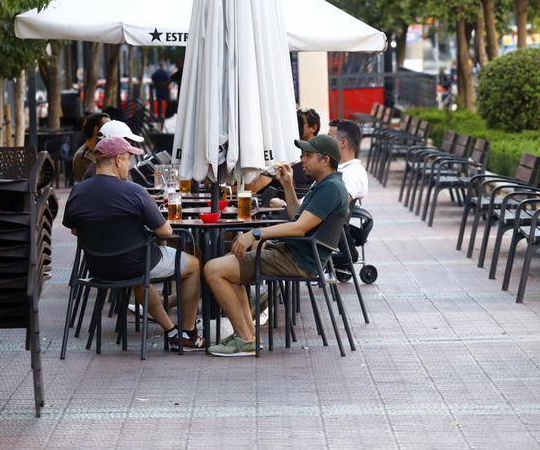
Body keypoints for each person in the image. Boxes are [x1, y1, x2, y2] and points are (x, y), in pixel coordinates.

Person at [204, 134, 349, 357]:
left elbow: (299, 228)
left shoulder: (331, 188)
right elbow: (296, 217)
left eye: (308, 156)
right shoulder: (324, 185)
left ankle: (244, 338)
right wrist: (288, 186)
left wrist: (256, 233)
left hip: (299, 261)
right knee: (228, 268)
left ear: (325, 160)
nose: (302, 160)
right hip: (294, 254)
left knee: (213, 270)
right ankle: (248, 336)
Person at [63, 136, 204, 351]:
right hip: (135, 264)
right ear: (118, 160)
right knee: (193, 265)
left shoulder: (77, 191)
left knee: (138, 272)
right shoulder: (134, 191)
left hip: (98, 267)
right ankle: (188, 332)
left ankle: (171, 330)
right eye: (128, 159)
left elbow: (75, 229)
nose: (130, 165)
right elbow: (165, 230)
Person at [245, 108, 321, 198]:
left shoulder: (294, 158)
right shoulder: (290, 152)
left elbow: (252, 187)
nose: (296, 126)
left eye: (301, 123)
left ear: (314, 128)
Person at [329, 119, 368, 203]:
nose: (326, 141)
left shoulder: (352, 173)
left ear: (342, 143)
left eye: (330, 138)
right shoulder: (338, 167)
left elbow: (338, 205)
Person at [72, 113, 110, 183]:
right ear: (96, 130)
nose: (111, 130)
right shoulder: (82, 157)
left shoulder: (106, 149)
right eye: (108, 126)